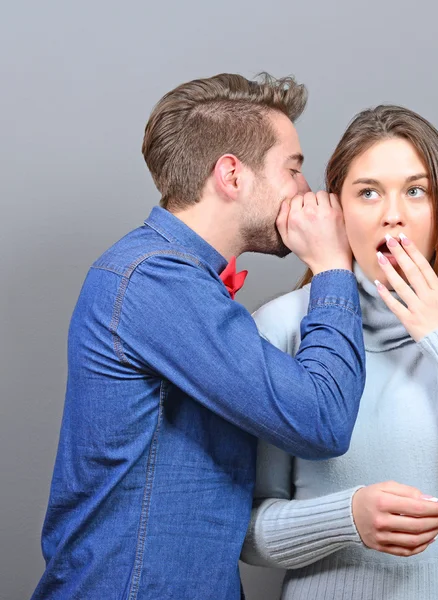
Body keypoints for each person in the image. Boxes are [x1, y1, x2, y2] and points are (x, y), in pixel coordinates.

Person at [32, 74, 368, 600]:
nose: (306, 191)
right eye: (294, 169)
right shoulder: (154, 280)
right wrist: (331, 268)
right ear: (232, 174)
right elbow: (321, 418)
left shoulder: (173, 278)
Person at [241, 104, 438, 599]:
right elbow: (243, 532)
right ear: (338, 211)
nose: (394, 215)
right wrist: (346, 519)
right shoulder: (281, 329)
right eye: (368, 193)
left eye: (416, 191)